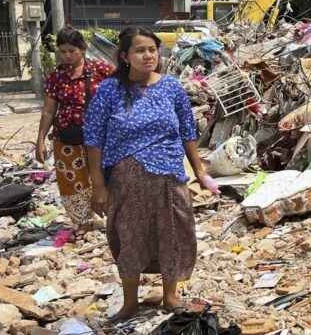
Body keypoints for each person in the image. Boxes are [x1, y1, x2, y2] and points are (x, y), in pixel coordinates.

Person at [84, 26, 220, 322]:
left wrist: (199, 171)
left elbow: (187, 131)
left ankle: (170, 296)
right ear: (124, 56)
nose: (148, 55)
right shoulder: (109, 90)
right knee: (129, 235)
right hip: (126, 178)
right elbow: (93, 137)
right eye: (140, 50)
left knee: (173, 232)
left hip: (169, 176)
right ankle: (130, 302)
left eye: (152, 50)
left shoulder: (171, 87)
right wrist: (97, 184)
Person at [36, 26, 115, 233]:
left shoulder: (101, 69)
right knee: (72, 181)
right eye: (63, 51)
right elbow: (48, 110)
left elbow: (120, 93)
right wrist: (40, 140)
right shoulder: (56, 76)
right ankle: (82, 222)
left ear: (83, 49)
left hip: (100, 136)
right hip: (66, 136)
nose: (67, 56)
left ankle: (113, 217)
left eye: (72, 51)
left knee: (107, 176)